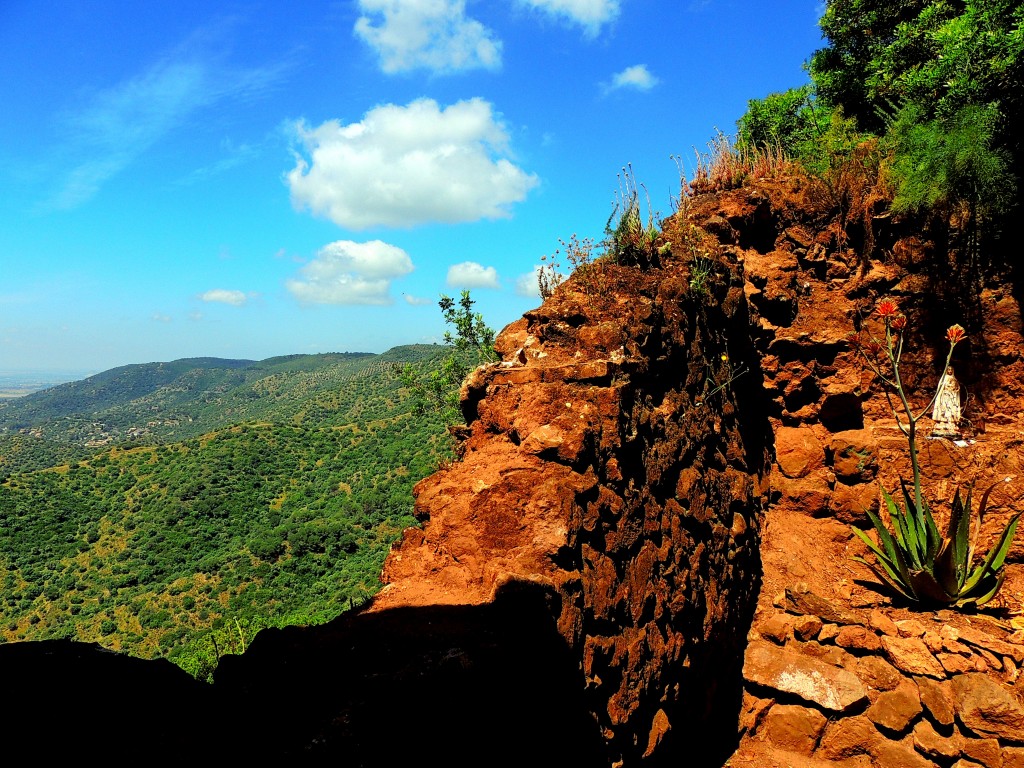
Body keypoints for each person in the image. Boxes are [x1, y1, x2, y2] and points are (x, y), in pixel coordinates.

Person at [930, 366, 961, 439]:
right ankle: (942, 421)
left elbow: (956, 388)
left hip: (951, 397)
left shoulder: (954, 379)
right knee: (943, 408)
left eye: (951, 370)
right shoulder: (944, 378)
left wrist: (954, 389)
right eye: (948, 369)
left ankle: (951, 422)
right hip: (944, 396)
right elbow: (941, 387)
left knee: (950, 409)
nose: (949, 371)